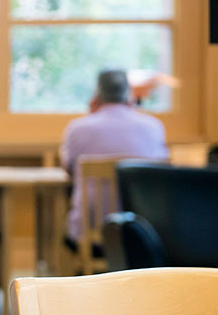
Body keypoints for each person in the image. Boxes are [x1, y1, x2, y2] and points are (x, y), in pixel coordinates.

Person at [60, 69, 168, 247]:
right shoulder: (153, 127)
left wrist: (92, 113)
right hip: (145, 231)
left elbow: (69, 169)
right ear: (129, 94)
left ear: (97, 94)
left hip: (91, 231)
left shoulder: (78, 128)